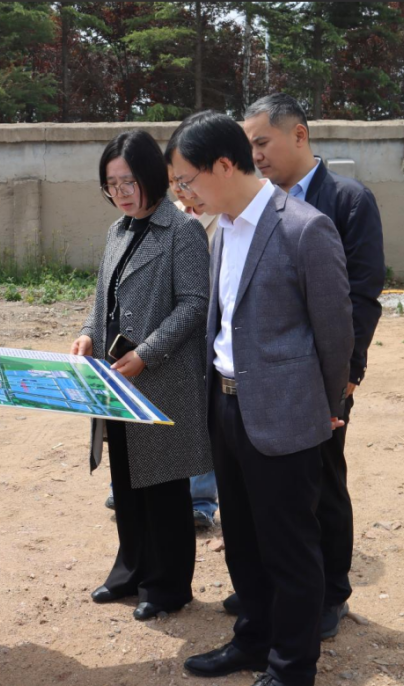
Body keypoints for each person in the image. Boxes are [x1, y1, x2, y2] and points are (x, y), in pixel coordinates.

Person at [169, 111, 352, 686]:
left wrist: (322, 408)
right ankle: (253, 639)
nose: (182, 194)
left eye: (185, 181)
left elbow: (335, 333)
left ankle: (293, 666)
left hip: (286, 415)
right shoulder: (222, 227)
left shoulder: (304, 228)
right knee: (242, 541)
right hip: (226, 407)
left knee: (290, 549)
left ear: (224, 166)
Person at [226, 93, 385, 637]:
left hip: (322, 379)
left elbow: (360, 299)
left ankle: (330, 591)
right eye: (248, 146)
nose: (256, 156)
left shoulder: (347, 200)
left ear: (299, 135)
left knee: (323, 481)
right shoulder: (251, 204)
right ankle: (274, 586)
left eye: (262, 143)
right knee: (266, 492)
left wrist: (344, 379)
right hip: (265, 380)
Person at [71, 130, 212, 621]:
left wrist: (148, 354)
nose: (122, 191)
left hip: (161, 378)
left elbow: (196, 304)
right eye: (111, 183)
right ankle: (129, 571)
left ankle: (169, 586)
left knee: (165, 489)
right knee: (127, 481)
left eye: (129, 180)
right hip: (116, 379)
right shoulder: (117, 231)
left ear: (152, 175)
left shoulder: (183, 230)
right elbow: (100, 302)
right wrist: (89, 334)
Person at [169, 166, 220, 529]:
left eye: (187, 181)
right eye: (175, 182)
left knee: (204, 416)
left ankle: (201, 499)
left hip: (210, 331)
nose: (181, 189)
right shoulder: (165, 216)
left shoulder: (228, 218)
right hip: (167, 332)